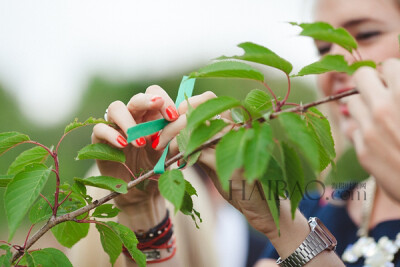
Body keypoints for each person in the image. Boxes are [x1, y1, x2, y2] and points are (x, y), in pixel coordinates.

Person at [90, 0, 400, 266]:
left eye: (367, 34)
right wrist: (142, 212)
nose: (334, 65)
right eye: (323, 48)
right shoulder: (308, 212)